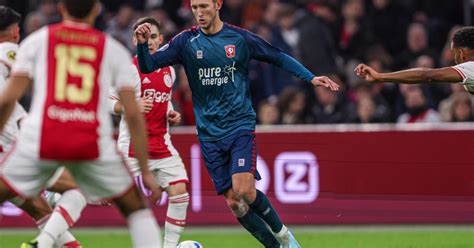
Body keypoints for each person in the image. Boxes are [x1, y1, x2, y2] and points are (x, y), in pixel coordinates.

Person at [134, 0, 340, 247]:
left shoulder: (239, 39)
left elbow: (277, 56)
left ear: (218, 4)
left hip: (239, 126)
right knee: (234, 202)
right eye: (195, 7)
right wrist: (142, 45)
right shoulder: (185, 42)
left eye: (204, 6)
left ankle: (285, 235)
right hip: (209, 134)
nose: (199, 13)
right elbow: (148, 66)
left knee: (244, 190)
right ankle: (275, 247)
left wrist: (310, 77)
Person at [0, 1, 162, 248]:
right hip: (90, 143)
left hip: (40, 138)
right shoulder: (113, 49)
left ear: (61, 8)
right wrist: (145, 170)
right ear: (97, 10)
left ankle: (42, 244)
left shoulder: (39, 40)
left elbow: (8, 99)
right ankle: (42, 244)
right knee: (136, 209)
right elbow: (133, 114)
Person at [0, 6, 84, 247]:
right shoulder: (10, 51)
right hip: (12, 153)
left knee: (41, 210)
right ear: (16, 32)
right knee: (79, 187)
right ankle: (42, 245)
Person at [110, 16, 190, 248]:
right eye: (144, 37)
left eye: (154, 37)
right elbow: (107, 100)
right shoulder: (128, 70)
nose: (150, 41)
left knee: (180, 193)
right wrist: (129, 105)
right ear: (136, 40)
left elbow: (163, 101)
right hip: (133, 148)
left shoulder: (169, 71)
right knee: (107, 195)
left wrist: (171, 112)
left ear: (161, 39)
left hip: (162, 145)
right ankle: (66, 193)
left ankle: (169, 246)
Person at [355, 26, 474, 95]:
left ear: (461, 53)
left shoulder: (470, 68)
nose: (454, 59)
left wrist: (380, 76)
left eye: (454, 53)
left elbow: (426, 75)